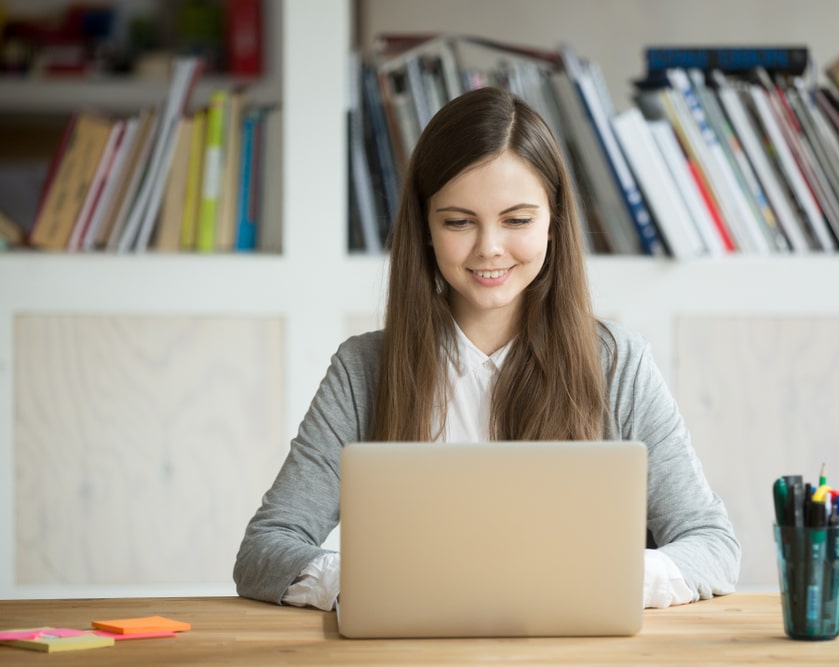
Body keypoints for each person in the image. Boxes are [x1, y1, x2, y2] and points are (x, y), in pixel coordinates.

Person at [233, 86, 740, 610]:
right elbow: (264, 551)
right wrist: (372, 582)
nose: (489, 248)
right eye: (458, 221)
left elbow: (713, 546)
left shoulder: (618, 362)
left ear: (554, 221)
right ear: (425, 228)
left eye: (517, 220)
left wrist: (603, 580)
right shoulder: (363, 369)